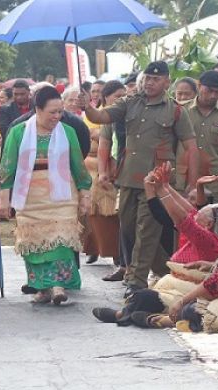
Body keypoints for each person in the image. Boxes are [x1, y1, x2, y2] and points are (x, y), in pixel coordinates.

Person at [81, 60, 199, 297]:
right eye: (147, 78)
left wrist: (192, 184)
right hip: (127, 179)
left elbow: (191, 148)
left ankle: (136, 282)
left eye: (156, 79)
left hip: (156, 182)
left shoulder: (175, 110)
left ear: (167, 82)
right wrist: (87, 107)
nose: (149, 82)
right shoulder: (129, 102)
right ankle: (170, 272)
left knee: (146, 230)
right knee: (129, 231)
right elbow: (102, 116)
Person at [0, 86, 91, 305]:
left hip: (62, 196)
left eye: (60, 112)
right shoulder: (18, 132)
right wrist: (4, 198)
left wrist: (85, 194)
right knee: (35, 243)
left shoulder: (67, 132)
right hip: (29, 198)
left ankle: (58, 286)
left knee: (60, 241)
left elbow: (78, 165)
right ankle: (42, 288)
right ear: (37, 110)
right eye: (52, 112)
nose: (57, 116)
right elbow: (7, 166)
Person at [92, 207, 218, 335]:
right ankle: (133, 316)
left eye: (199, 216)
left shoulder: (217, 244)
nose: (195, 217)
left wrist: (163, 190)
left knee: (190, 309)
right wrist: (210, 265)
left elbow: (213, 286)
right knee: (150, 297)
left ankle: (160, 320)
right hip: (193, 290)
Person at [176, 71, 218, 209]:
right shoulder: (180, 111)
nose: (213, 96)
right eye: (209, 90)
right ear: (199, 86)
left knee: (217, 227)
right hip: (186, 183)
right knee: (184, 226)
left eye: (217, 92)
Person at [82, 81, 125, 267]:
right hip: (94, 167)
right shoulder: (92, 116)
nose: (122, 99)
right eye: (117, 96)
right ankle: (93, 249)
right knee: (95, 212)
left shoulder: (126, 115)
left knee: (116, 214)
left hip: (120, 168)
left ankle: (117, 253)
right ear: (105, 98)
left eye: (124, 95)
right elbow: (98, 143)